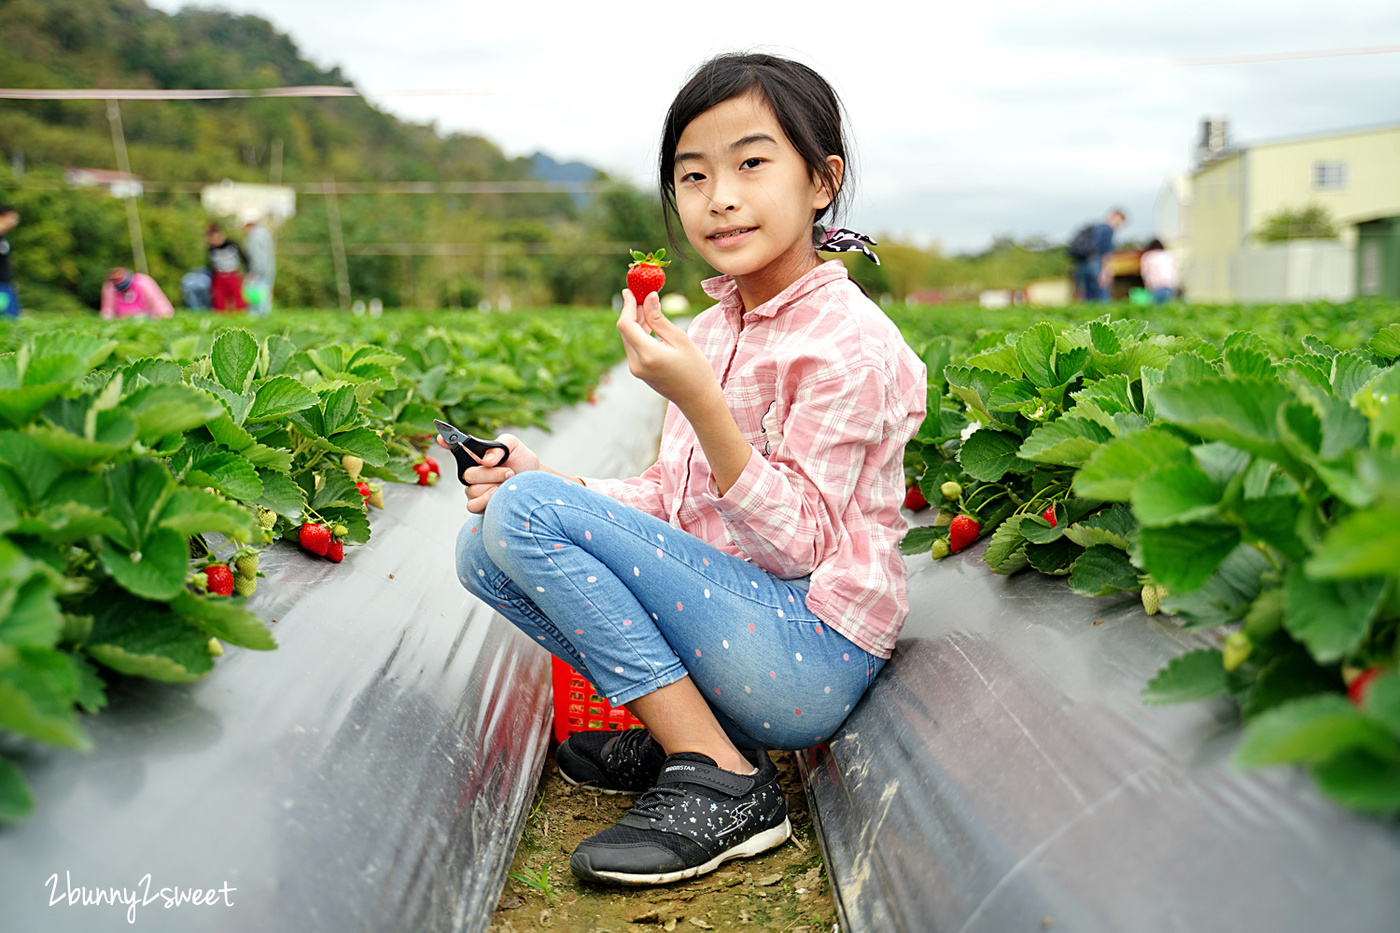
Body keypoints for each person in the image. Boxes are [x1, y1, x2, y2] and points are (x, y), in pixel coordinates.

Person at [451, 53, 926, 886]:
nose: (721, 196)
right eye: (692, 174)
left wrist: (704, 406)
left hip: (810, 651)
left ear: (823, 181)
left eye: (751, 163)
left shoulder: (848, 342)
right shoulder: (708, 331)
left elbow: (803, 548)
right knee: (483, 542)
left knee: (521, 513)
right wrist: (545, 479)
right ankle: (692, 732)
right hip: (739, 624)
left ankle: (725, 777)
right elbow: (671, 503)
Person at [1070, 207, 1127, 303]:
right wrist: (1106, 271)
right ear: (1116, 217)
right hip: (1096, 264)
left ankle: (1088, 317)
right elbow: (1106, 253)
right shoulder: (1108, 229)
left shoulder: (1094, 228)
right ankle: (1103, 315)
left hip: (1082, 263)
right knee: (1101, 295)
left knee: (1087, 297)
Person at [100, 267, 174, 320]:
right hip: (122, 323)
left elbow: (162, 306)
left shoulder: (144, 282)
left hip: (148, 320)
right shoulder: (110, 287)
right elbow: (107, 311)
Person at [205, 223, 247, 313]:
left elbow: (244, 258)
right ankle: (220, 315)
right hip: (219, 276)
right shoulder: (211, 250)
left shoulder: (232, 245)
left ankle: (240, 314)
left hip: (232, 274)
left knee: (237, 298)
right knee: (219, 299)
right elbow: (210, 265)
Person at [240, 210, 275, 316]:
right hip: (266, 268)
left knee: (258, 294)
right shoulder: (264, 233)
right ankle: (262, 314)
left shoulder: (255, 236)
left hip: (259, 270)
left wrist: (255, 270)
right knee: (264, 292)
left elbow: (257, 255)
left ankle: (258, 315)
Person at [1139, 238, 1180, 304]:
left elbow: (1145, 273)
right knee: (1168, 308)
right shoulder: (1169, 255)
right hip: (1171, 285)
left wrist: (1147, 285)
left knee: (1156, 309)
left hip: (1156, 286)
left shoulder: (1148, 256)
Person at [0, 204, 20, 318]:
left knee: (11, 319)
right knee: (6, 320)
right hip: (0, 286)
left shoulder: (3, 238)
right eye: (13, 217)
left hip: (6, 284)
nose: (15, 221)